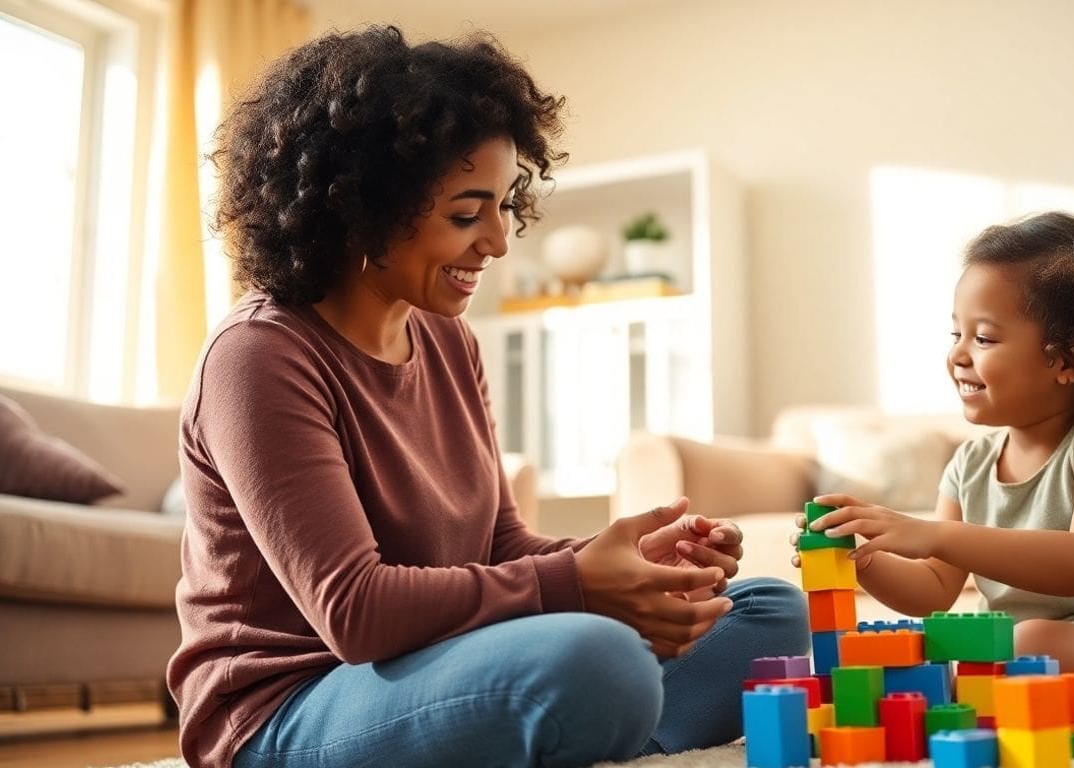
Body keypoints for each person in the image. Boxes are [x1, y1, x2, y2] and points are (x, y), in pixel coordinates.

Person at [167, 25, 808, 768]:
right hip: (289, 708)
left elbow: (503, 547)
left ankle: (592, 739)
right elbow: (357, 613)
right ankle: (588, 722)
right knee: (597, 660)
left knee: (767, 612)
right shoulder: (259, 356)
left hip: (440, 663)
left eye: (505, 206)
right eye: (467, 214)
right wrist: (578, 582)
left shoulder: (445, 339)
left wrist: (630, 559)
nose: (499, 241)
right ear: (362, 210)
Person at [799, 211, 1074, 722]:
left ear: (1068, 361)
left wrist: (932, 534)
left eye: (985, 339)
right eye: (956, 334)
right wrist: (862, 555)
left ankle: (963, 702)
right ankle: (961, 707)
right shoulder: (969, 464)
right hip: (1004, 658)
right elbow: (932, 589)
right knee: (971, 649)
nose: (958, 356)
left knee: (1027, 642)